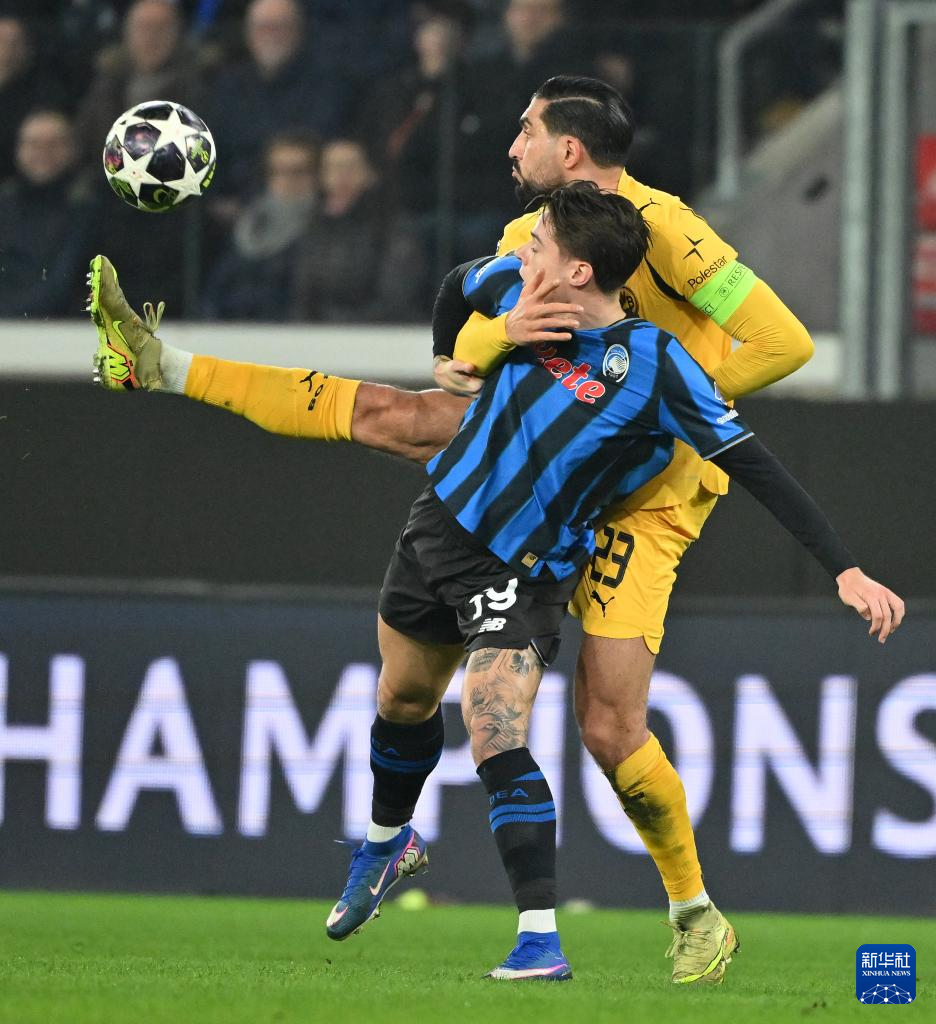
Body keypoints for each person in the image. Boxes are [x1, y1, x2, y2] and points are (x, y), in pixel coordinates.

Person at [85, 182, 904, 981]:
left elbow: (756, 464)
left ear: (578, 270)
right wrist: (459, 354)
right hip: (438, 531)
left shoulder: (657, 366)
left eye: (539, 243)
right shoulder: (519, 289)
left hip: (526, 566)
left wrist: (844, 568)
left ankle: (539, 940)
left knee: (493, 725)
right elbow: (456, 284)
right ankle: (387, 845)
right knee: (403, 699)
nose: (523, 250)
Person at [290, 140, 426, 322]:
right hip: (318, 331)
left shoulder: (393, 226)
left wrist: (341, 324)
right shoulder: (312, 226)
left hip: (377, 330)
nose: (342, 175)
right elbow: (302, 294)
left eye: (351, 167)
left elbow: (395, 296)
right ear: (321, 177)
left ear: (370, 174)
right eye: (333, 168)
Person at [201, 129, 319, 321]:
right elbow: (216, 291)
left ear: (316, 175)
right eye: (277, 172)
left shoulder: (324, 229)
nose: (287, 180)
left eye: (298, 171)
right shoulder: (247, 225)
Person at [0, 110, 95, 317]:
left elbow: (64, 281)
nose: (43, 152)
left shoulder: (87, 207)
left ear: (72, 149)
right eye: (33, 144)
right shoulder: (5, 204)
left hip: (60, 325)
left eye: (53, 144)